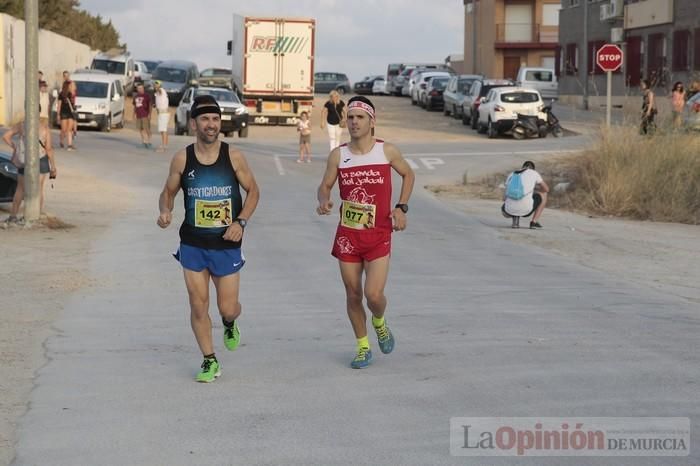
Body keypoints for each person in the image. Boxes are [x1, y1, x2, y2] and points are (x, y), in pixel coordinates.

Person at [157, 95, 260, 383]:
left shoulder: (234, 157)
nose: (211, 124)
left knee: (227, 307)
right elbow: (167, 193)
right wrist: (165, 211)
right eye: (205, 119)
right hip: (192, 243)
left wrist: (241, 222)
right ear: (194, 123)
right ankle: (209, 360)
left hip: (227, 244)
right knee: (197, 304)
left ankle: (230, 322)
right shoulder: (182, 158)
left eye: (215, 119)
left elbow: (254, 192)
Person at [316, 95, 415, 369]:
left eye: (360, 117)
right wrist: (323, 200)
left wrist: (401, 208)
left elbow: (408, 174)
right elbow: (324, 186)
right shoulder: (339, 155)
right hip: (348, 236)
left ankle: (380, 322)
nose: (354, 122)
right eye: (350, 117)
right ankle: (362, 347)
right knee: (352, 295)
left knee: (373, 295)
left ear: (372, 121)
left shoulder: (387, 151)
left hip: (379, 234)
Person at [2, 117, 57, 223]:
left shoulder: (21, 125)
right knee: (39, 189)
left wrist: (14, 147)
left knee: (20, 189)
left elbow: (5, 137)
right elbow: (49, 148)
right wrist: (53, 167)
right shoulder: (44, 128)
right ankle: (35, 216)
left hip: (25, 159)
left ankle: (13, 216)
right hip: (41, 159)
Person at [501, 161, 549, 229]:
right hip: (526, 211)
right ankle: (534, 222)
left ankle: (515, 221)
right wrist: (534, 188)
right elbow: (546, 189)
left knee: (514, 198)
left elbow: (504, 197)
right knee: (544, 194)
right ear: (533, 169)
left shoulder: (512, 174)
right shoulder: (534, 173)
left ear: (522, 167)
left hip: (506, 211)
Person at [57, 80, 77, 151]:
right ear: (66, 86)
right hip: (63, 113)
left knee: (69, 129)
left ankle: (69, 145)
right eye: (70, 85)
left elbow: (73, 104)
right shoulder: (61, 94)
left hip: (70, 113)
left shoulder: (72, 94)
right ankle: (61, 141)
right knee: (64, 130)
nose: (71, 86)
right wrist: (58, 115)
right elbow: (59, 105)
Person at [133, 83, 153, 149]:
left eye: (141, 88)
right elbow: (135, 106)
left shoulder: (147, 96)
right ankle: (144, 142)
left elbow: (150, 106)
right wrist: (133, 114)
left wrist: (150, 114)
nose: (140, 89)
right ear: (137, 89)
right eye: (138, 88)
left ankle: (149, 142)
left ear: (143, 88)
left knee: (147, 129)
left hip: (145, 114)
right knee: (141, 129)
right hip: (139, 115)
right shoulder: (136, 96)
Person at [153, 80, 170, 152]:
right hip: (161, 113)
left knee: (163, 130)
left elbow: (159, 90)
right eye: (155, 84)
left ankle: (164, 147)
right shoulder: (157, 93)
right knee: (162, 130)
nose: (155, 85)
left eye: (157, 84)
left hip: (163, 113)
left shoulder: (161, 90)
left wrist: (158, 88)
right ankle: (165, 145)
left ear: (160, 85)